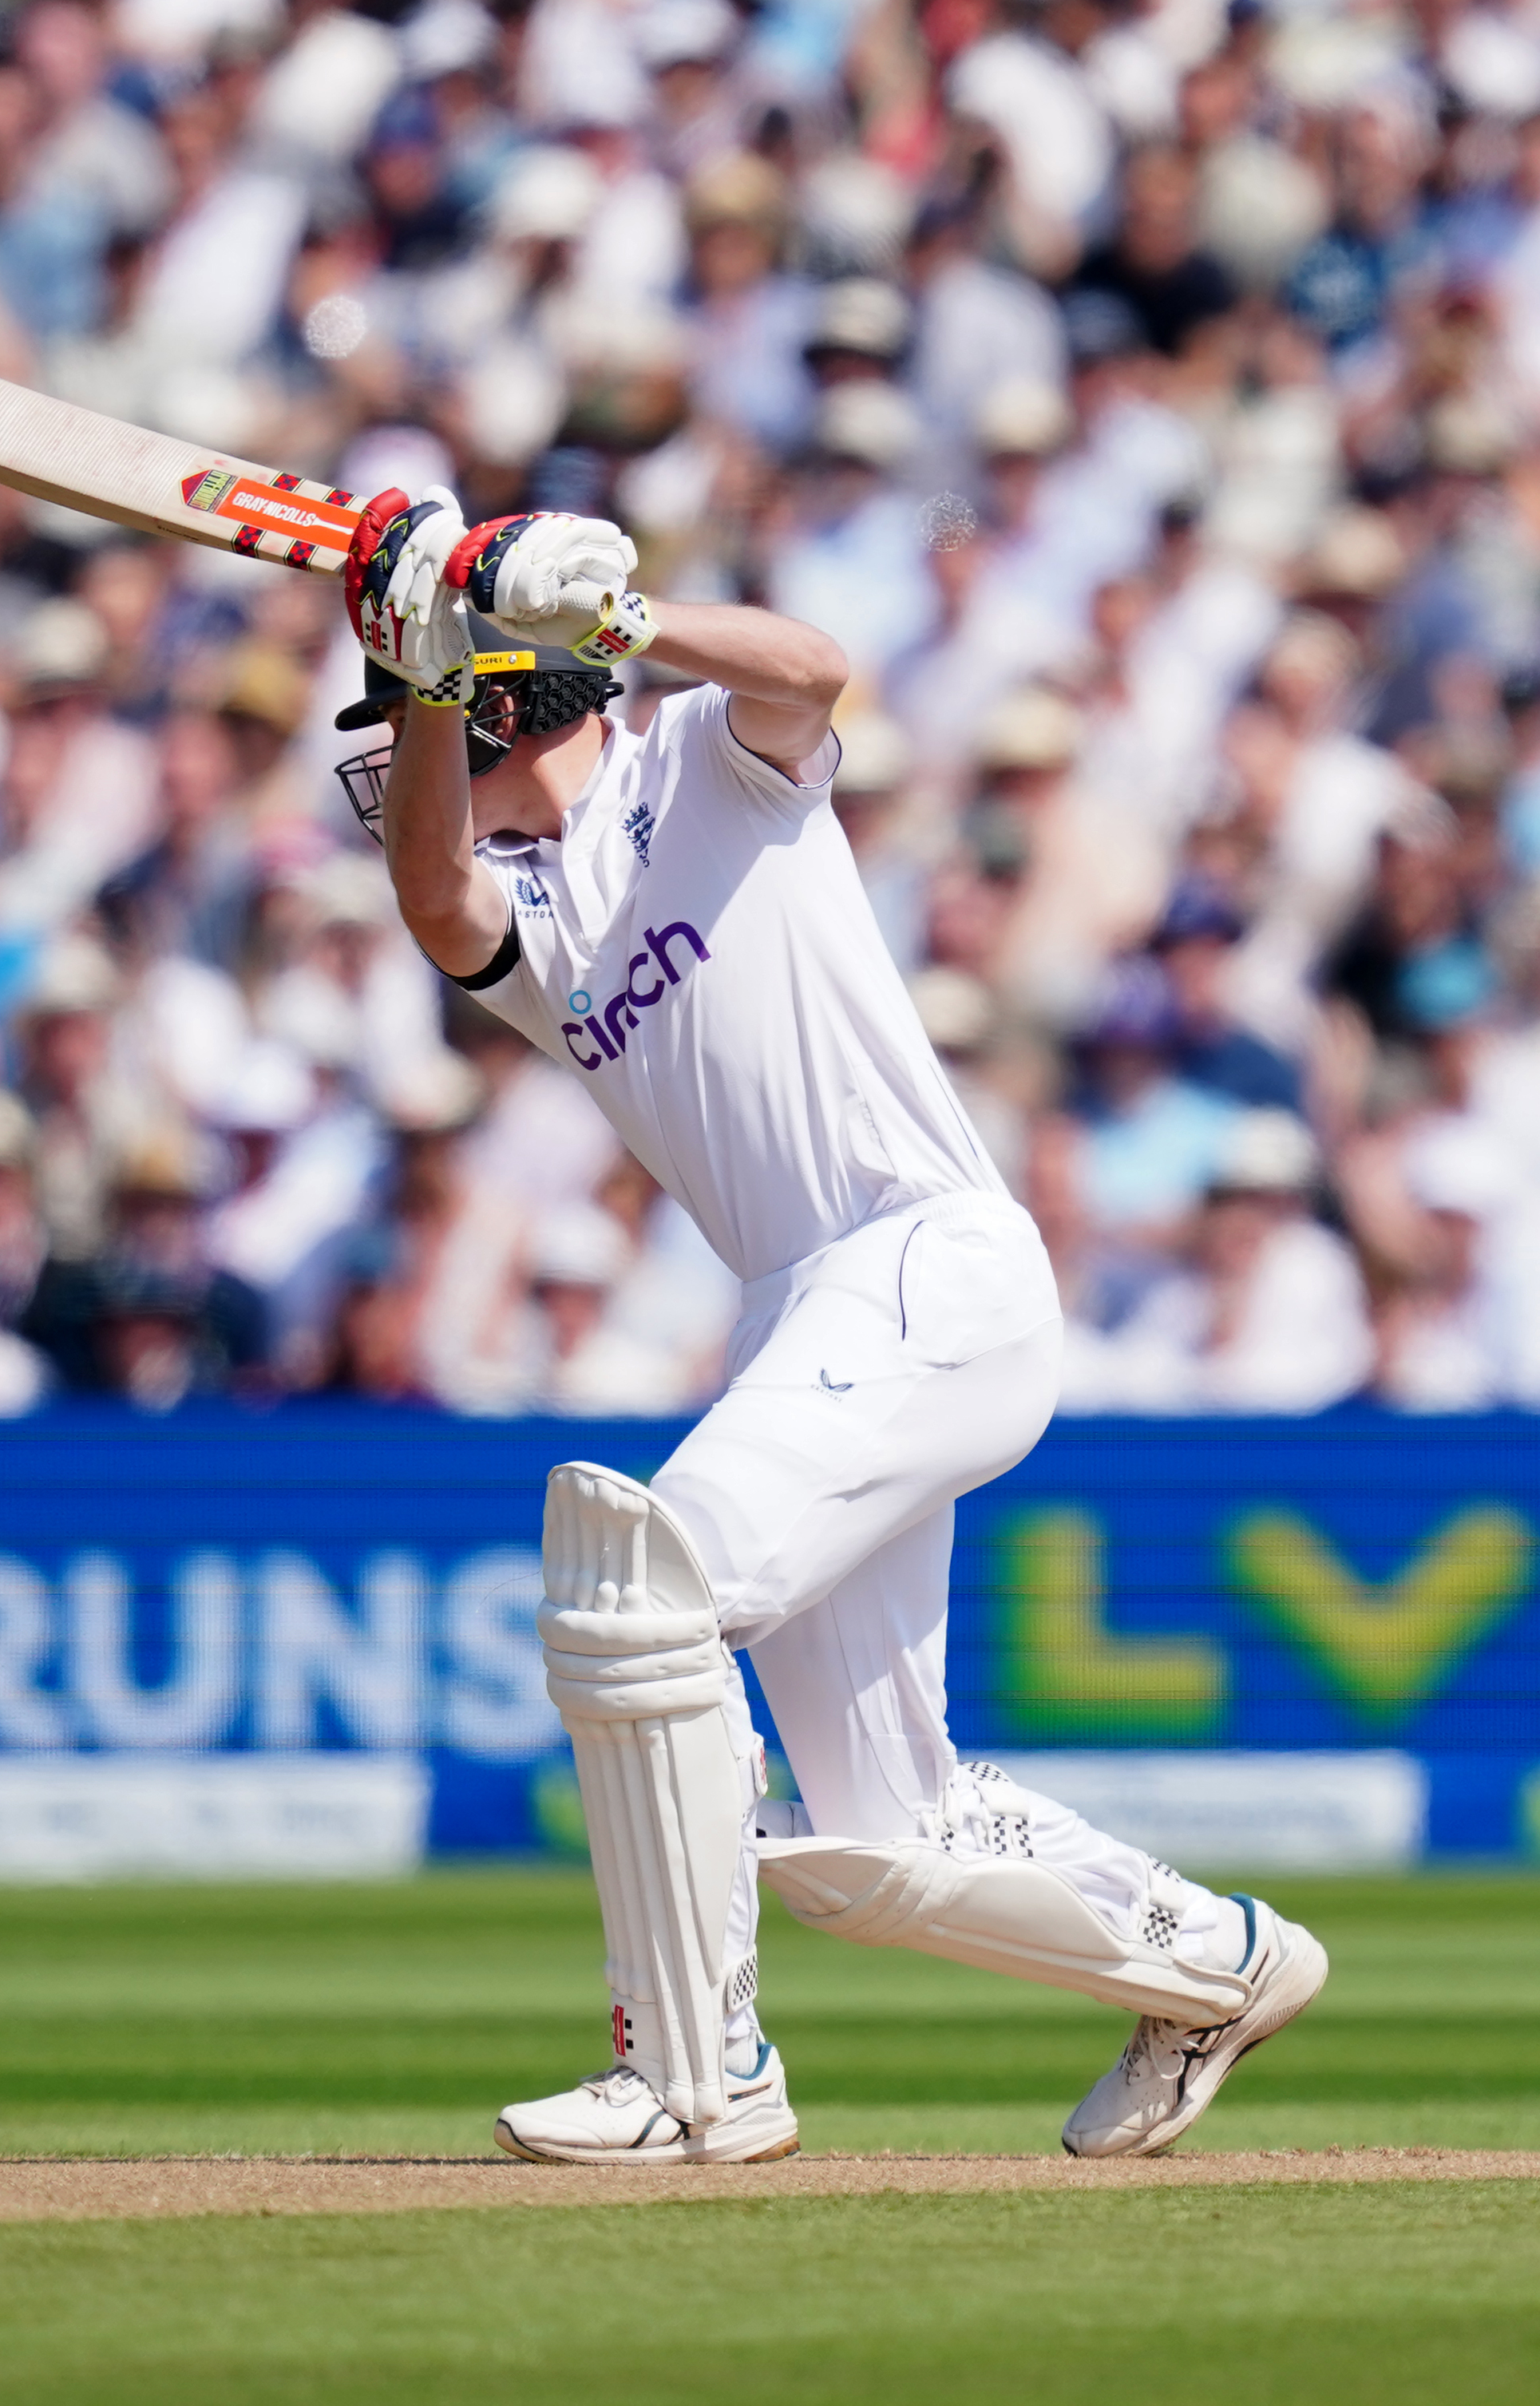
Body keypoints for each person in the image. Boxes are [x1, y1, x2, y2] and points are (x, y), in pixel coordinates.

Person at [335, 485, 1326, 2165]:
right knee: (883, 1837)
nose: (393, 762)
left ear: (521, 704)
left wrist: (609, 620)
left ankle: (698, 2073)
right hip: (807, 1303)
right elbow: (437, 902)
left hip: (928, 1260)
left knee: (640, 1588)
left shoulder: (702, 754)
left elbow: (821, 665)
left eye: (427, 716)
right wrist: (433, 667)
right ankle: (1222, 1959)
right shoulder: (526, 911)